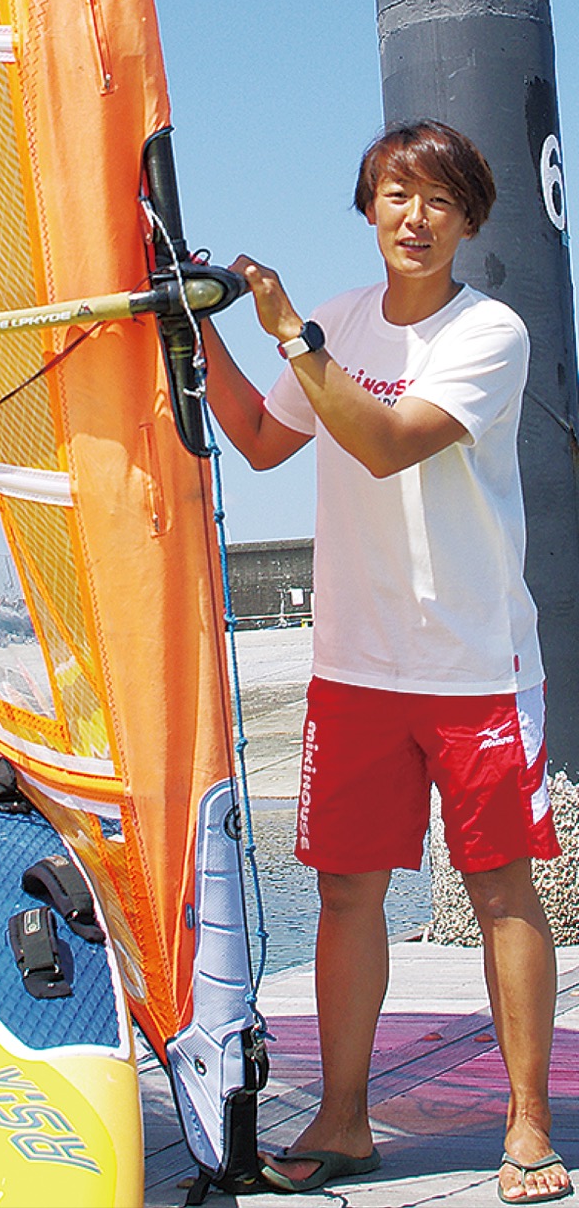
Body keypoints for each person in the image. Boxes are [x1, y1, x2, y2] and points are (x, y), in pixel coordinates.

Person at [203, 121, 570, 1204]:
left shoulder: (489, 330)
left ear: (469, 220)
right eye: (396, 195)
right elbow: (260, 440)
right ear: (367, 207)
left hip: (474, 665)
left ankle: (528, 1123)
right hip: (355, 665)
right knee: (346, 891)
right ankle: (345, 1119)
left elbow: (386, 440)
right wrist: (198, 333)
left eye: (439, 199)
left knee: (499, 887)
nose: (416, 217)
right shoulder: (344, 317)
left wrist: (290, 335)